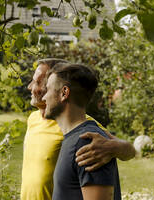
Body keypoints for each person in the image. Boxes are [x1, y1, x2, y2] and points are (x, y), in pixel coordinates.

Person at [21, 58, 135, 200]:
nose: (30, 87)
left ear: (64, 92)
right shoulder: (33, 120)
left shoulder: (86, 137)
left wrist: (113, 147)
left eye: (39, 83)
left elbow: (129, 150)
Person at [42, 63, 121, 200]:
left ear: (64, 93)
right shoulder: (74, 138)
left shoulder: (87, 142)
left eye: (48, 90)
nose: (43, 98)